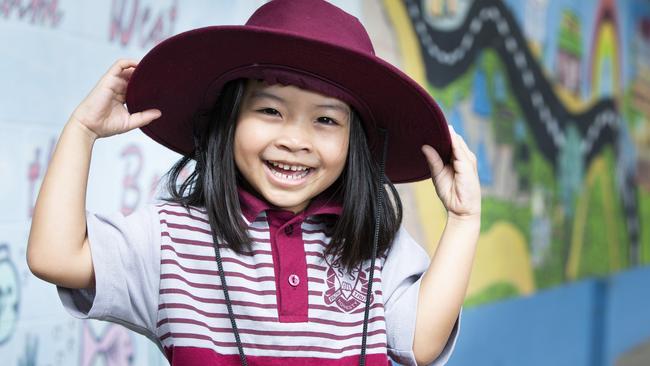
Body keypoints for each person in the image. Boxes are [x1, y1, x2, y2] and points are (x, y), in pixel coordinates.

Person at [26, 0, 481, 365]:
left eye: (325, 119)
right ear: (230, 121)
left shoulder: (371, 244)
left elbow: (419, 343)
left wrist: (462, 219)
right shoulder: (171, 238)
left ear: (354, 144)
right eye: (270, 110)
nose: (295, 140)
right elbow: (55, 256)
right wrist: (82, 132)